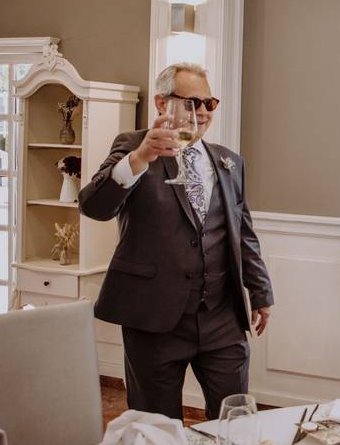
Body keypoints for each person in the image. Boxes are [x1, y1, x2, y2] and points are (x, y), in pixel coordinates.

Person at [79, 62, 274, 420]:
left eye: (208, 104)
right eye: (190, 102)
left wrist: (260, 293)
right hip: (153, 319)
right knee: (157, 428)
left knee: (235, 422)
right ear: (160, 102)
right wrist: (140, 160)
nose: (200, 113)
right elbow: (93, 206)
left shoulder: (230, 162)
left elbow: (243, 233)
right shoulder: (133, 146)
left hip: (221, 319)